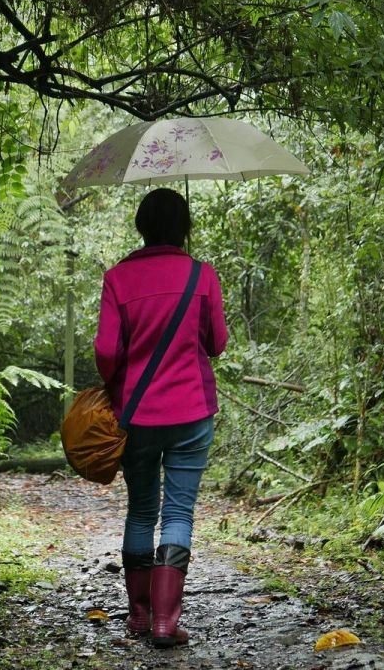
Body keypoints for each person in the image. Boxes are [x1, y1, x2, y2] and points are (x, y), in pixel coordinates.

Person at [94, 187, 228, 648]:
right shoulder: (201, 275)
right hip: (192, 412)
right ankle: (167, 624)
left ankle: (138, 614)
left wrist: (119, 383)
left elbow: (106, 352)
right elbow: (218, 342)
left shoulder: (117, 278)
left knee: (141, 509)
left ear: (141, 228)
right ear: (184, 228)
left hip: (137, 416)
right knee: (177, 512)